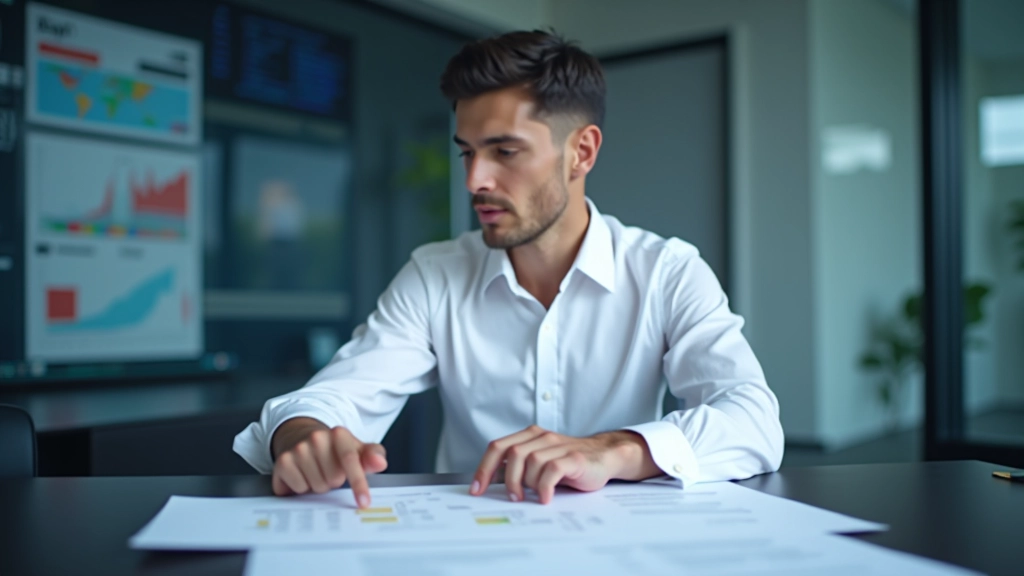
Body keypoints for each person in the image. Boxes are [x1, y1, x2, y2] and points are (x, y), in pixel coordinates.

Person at [233, 30, 783, 509]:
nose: (474, 180)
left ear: (581, 152)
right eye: (467, 152)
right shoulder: (434, 274)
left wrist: (614, 450)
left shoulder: (666, 271)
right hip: (472, 541)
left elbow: (753, 420)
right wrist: (303, 433)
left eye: (505, 151)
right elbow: (337, 397)